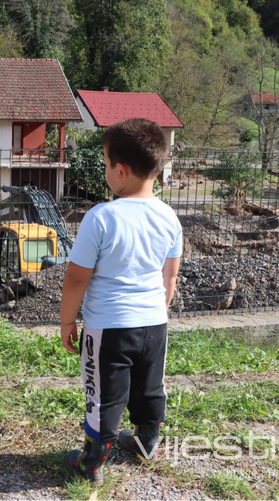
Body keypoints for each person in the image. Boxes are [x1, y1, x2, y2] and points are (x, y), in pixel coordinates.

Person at [60, 118, 182, 485]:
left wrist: (68, 321)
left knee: (105, 394)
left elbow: (77, 278)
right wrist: (158, 311)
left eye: (105, 164)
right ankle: (147, 442)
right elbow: (170, 276)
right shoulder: (169, 216)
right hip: (154, 324)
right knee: (149, 386)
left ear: (122, 170)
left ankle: (92, 462)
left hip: (109, 327)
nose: (105, 171)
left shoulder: (101, 218)